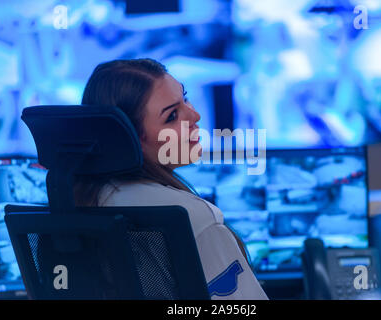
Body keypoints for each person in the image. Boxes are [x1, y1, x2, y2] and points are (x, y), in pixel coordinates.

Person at [74, 58, 268, 300]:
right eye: (172, 116)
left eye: (185, 98)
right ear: (129, 139)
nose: (195, 115)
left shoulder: (75, 206)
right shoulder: (188, 216)